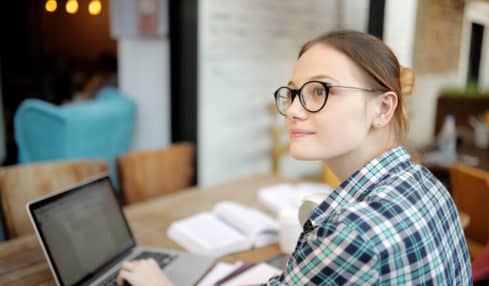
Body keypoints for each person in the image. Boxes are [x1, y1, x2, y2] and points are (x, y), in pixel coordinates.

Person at [117, 30, 472, 285]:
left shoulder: (351, 232)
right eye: (293, 93)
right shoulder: (428, 184)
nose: (293, 111)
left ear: (383, 107)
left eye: (320, 91)